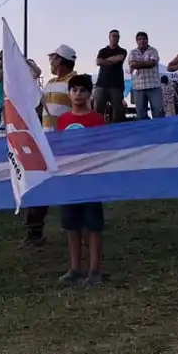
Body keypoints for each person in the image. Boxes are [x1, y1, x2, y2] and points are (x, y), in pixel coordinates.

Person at [54, 74, 106, 285]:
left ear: (89, 93)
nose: (78, 94)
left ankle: (95, 270)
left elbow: (103, 148)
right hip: (69, 179)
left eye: (82, 90)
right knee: (71, 225)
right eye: (74, 90)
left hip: (90, 179)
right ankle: (74, 269)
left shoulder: (97, 120)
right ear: (69, 93)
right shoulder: (63, 121)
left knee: (93, 225)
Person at [23, 45, 77, 248]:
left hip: (65, 145)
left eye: (53, 58)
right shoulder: (51, 83)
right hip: (45, 144)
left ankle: (74, 227)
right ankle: (34, 232)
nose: (50, 63)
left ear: (61, 60)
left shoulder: (74, 82)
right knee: (39, 185)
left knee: (69, 186)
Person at [127, 31, 163, 119]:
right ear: (136, 41)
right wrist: (146, 63)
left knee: (158, 112)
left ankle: (160, 131)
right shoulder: (132, 52)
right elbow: (132, 64)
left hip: (154, 86)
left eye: (144, 39)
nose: (142, 41)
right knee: (140, 114)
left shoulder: (153, 50)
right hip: (139, 87)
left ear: (147, 40)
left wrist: (138, 64)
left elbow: (152, 63)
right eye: (139, 39)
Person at [94, 30, 127, 123]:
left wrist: (105, 61)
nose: (115, 38)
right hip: (101, 84)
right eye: (113, 36)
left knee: (118, 111)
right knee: (98, 110)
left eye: (117, 36)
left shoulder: (122, 51)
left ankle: (116, 131)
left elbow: (119, 59)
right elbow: (98, 62)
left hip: (116, 85)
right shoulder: (103, 50)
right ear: (109, 38)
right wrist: (112, 61)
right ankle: (97, 130)